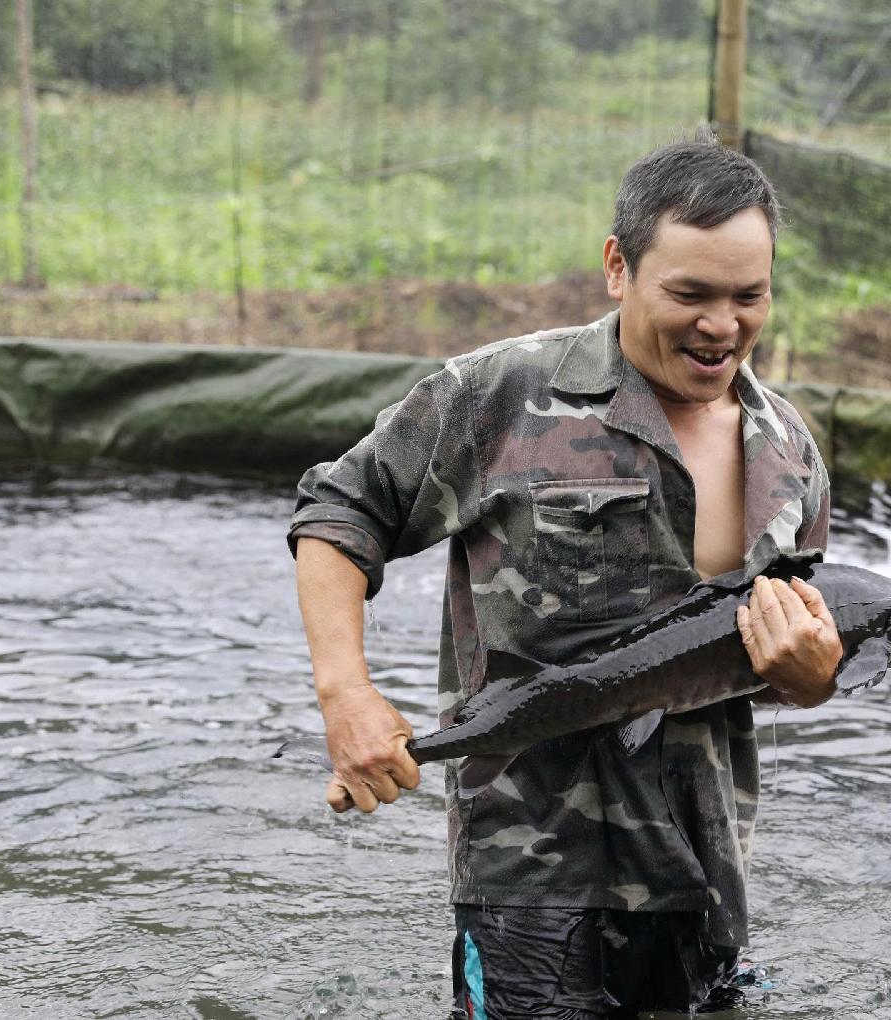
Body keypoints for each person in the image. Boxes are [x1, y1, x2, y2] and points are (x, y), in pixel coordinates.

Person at [287, 136, 842, 1019]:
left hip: (705, 874)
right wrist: (345, 694)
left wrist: (812, 682)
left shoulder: (791, 450)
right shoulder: (499, 395)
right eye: (690, 294)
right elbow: (337, 514)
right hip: (529, 876)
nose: (722, 325)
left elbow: (775, 655)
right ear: (619, 267)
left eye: (750, 296)